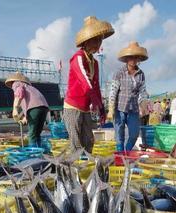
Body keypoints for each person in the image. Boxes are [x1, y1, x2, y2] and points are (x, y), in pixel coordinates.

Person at [62, 16, 114, 153]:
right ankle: (73, 172)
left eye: (100, 40)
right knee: (76, 144)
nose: (98, 43)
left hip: (85, 109)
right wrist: (95, 101)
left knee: (89, 142)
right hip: (73, 107)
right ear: (86, 41)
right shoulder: (78, 57)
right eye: (95, 40)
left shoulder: (95, 63)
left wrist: (101, 108)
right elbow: (85, 80)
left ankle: (86, 171)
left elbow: (96, 86)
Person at [107, 41, 150, 152]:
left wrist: (144, 104)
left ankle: (127, 151)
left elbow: (142, 91)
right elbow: (113, 91)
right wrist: (111, 108)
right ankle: (120, 155)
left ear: (139, 59)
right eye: (131, 57)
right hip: (119, 109)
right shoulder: (119, 72)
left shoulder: (141, 74)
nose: (133, 60)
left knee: (134, 133)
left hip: (133, 109)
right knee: (119, 135)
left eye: (136, 57)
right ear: (126, 58)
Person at [5, 71, 49, 147]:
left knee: (32, 134)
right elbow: (30, 105)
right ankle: (39, 151)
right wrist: (25, 118)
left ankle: (33, 154)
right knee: (37, 133)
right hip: (44, 107)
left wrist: (15, 109)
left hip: (34, 108)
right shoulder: (30, 88)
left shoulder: (17, 84)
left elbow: (19, 93)